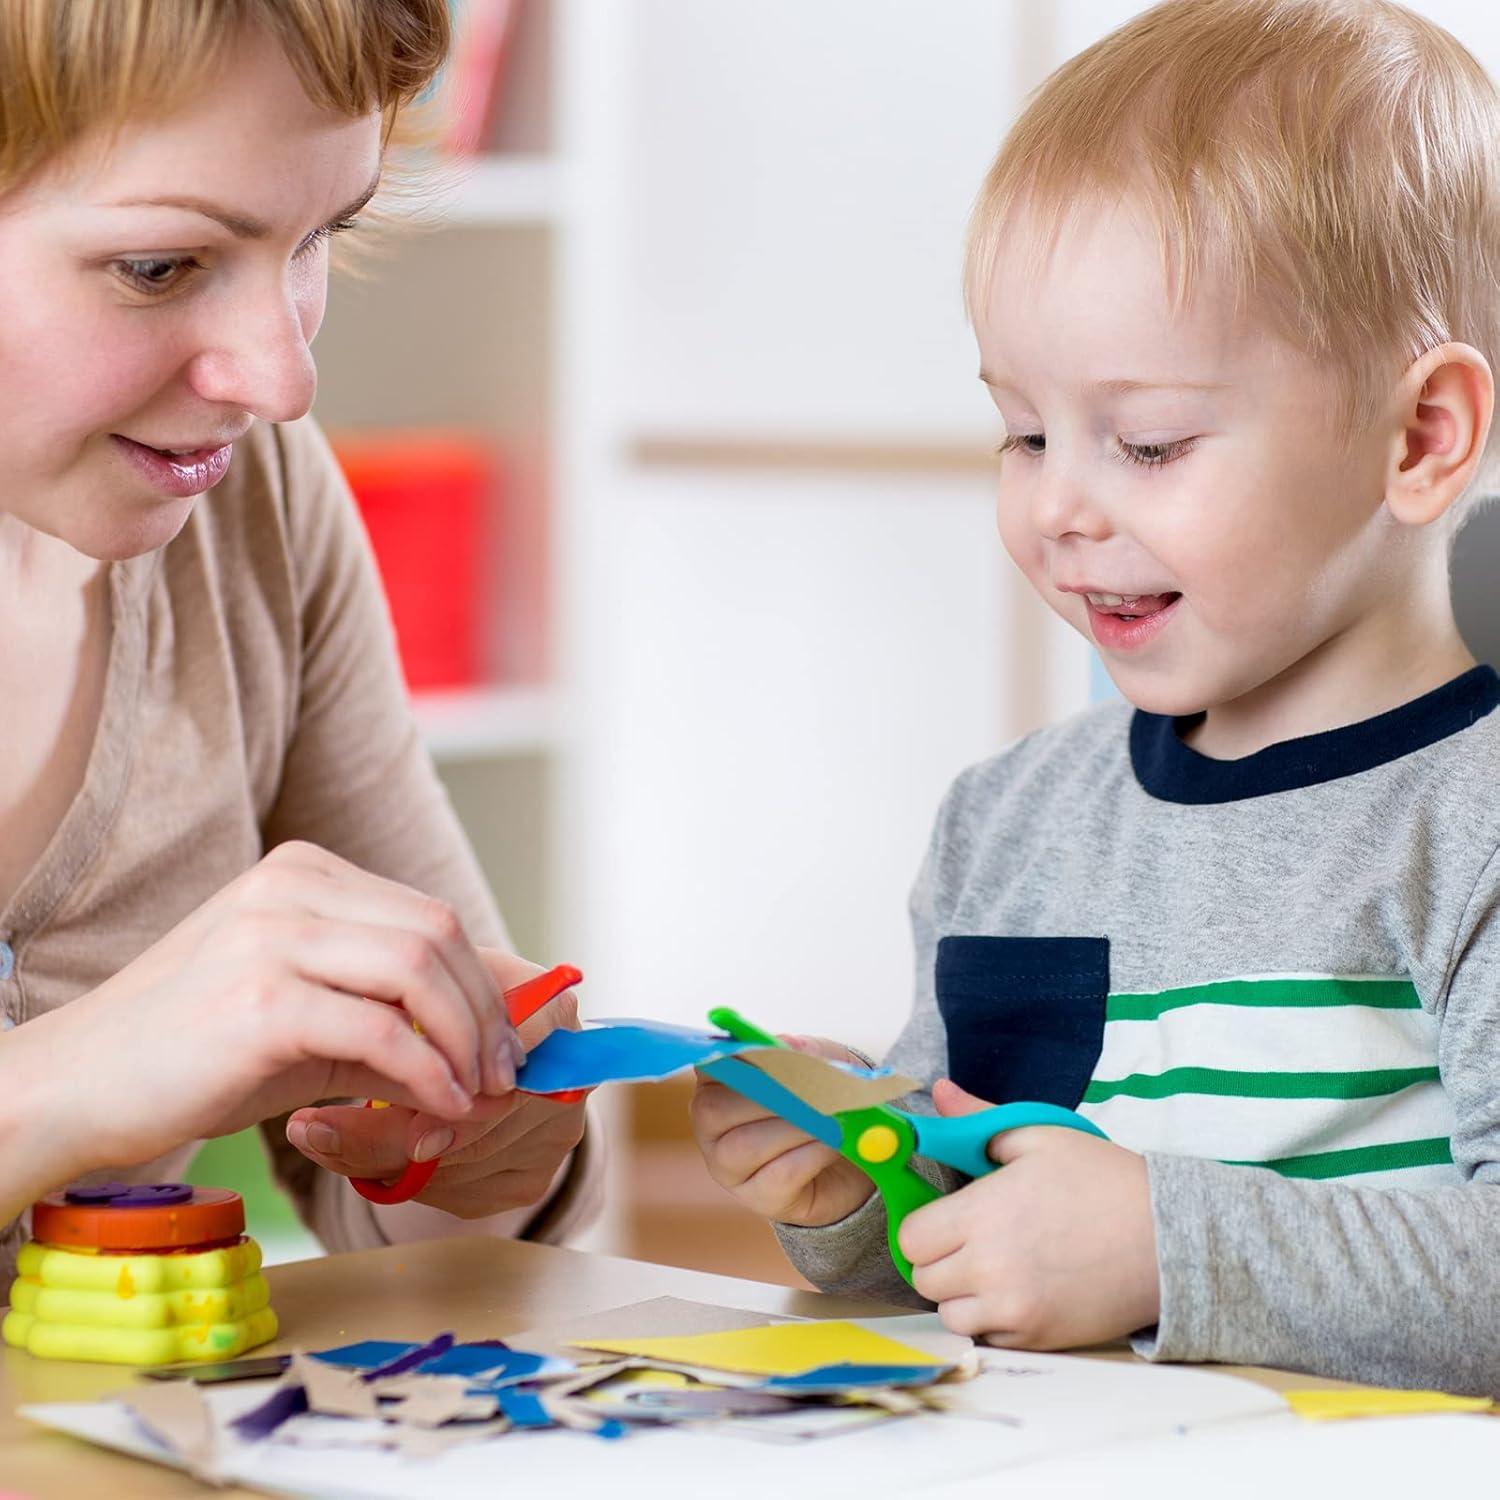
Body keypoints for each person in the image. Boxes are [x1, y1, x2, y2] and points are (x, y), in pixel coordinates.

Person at [691, 0, 1500, 1392]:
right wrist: (849, 1192)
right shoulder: (1006, 823)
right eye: (1023, 429)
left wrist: (1166, 1250)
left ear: (1419, 436)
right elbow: (980, 1230)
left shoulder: (1469, 824)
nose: (1059, 504)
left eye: (1147, 441)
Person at [0, 0, 598, 1295]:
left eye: (324, 234)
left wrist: (468, 1155)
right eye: (159, 266)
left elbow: (444, 1243)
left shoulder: (251, 506)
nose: (282, 380)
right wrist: (58, 1085)